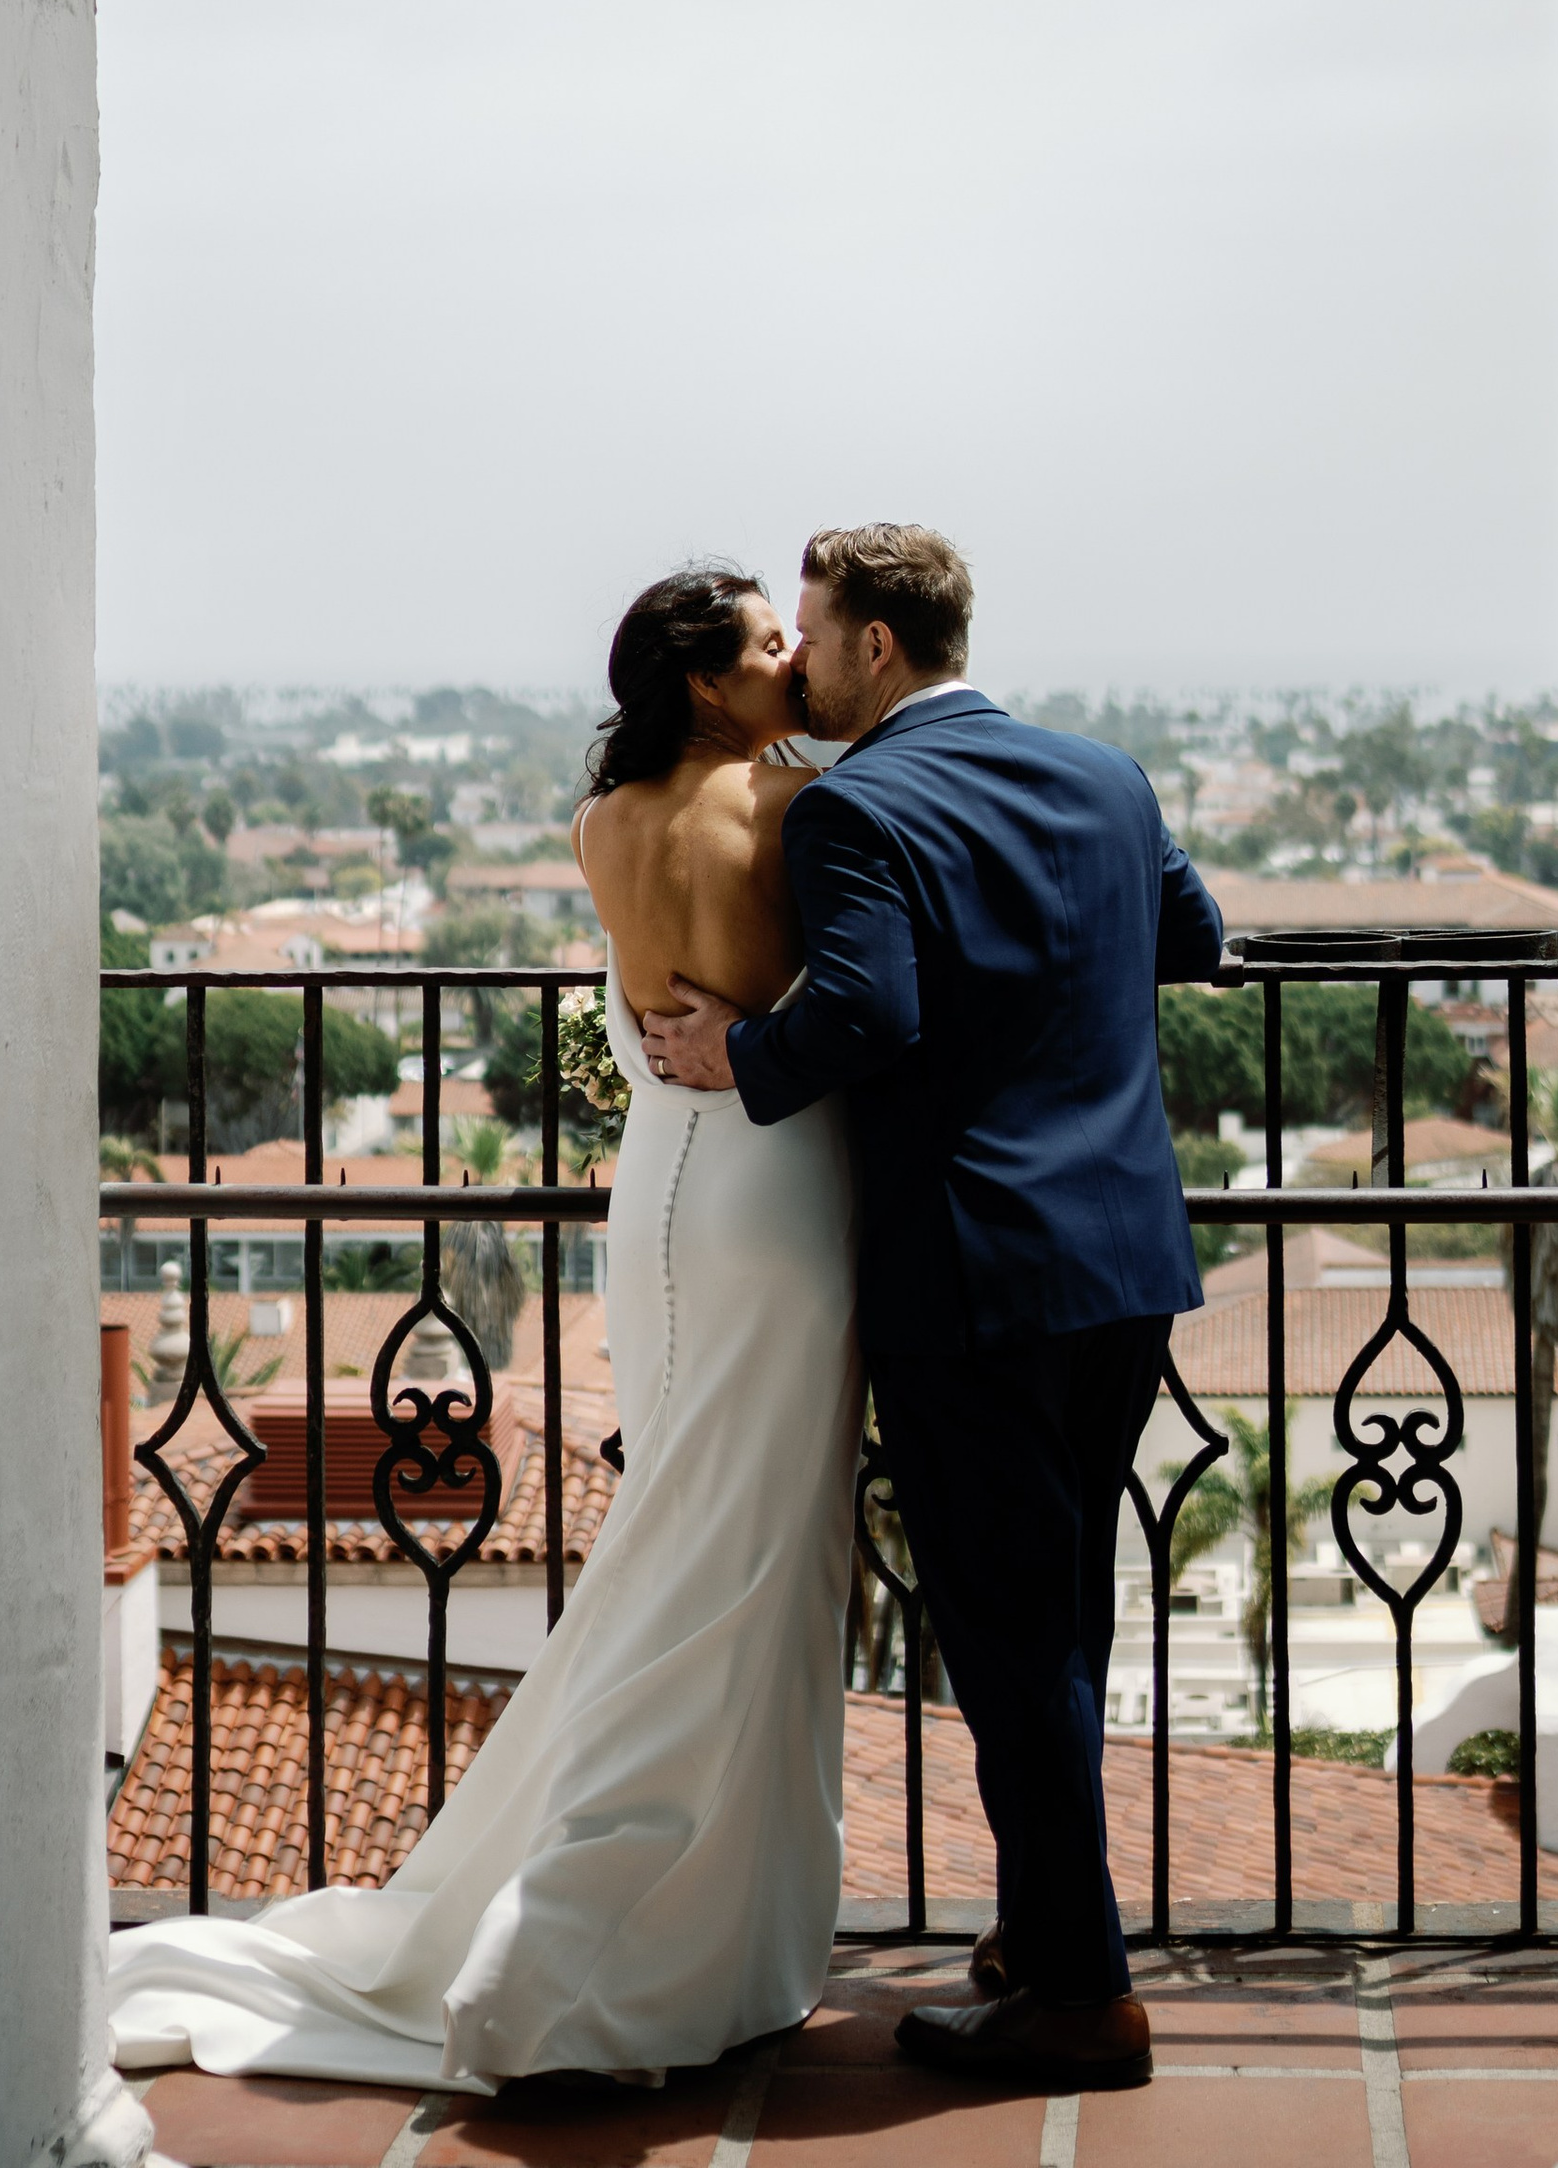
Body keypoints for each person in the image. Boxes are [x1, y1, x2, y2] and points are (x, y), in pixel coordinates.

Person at [105, 564, 860, 2094]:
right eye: (773, 646)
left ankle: (697, 1929)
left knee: (678, 1539)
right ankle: (591, 1940)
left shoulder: (604, 823)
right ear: (710, 682)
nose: (796, 662)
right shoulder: (793, 810)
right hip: (772, 1191)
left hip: (653, 1198)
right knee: (749, 1567)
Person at [644, 522, 1230, 2092]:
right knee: (1066, 1615)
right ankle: (1047, 1931)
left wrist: (728, 1060)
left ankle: (1082, 1994)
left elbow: (866, 1009)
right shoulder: (1106, 777)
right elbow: (1195, 937)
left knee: (1003, 1631)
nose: (804, 664)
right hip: (1125, 1262)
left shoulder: (858, 810)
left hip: (972, 1273)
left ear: (877, 649)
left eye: (816, 636)